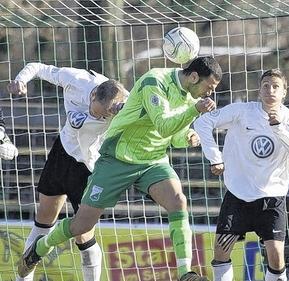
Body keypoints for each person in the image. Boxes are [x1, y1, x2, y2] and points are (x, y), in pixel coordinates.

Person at [16, 56, 222, 281]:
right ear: (193, 77)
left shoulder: (189, 96)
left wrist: (187, 137)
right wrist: (195, 111)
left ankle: (185, 273)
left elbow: (172, 135)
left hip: (152, 160)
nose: (209, 93)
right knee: (81, 226)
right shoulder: (154, 81)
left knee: (178, 200)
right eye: (208, 87)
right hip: (116, 158)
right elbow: (164, 125)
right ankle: (39, 248)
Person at [8, 62, 128, 281]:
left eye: (104, 117)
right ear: (92, 96)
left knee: (83, 234)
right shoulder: (77, 80)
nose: (99, 118)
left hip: (89, 168)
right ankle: (23, 279)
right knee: (43, 219)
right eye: (97, 112)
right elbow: (38, 67)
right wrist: (21, 79)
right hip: (61, 155)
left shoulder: (127, 105)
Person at [194, 69, 289, 281]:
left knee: (276, 258)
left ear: (284, 92)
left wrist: (279, 130)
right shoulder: (242, 111)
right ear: (259, 90)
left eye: (276, 86)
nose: (270, 90)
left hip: (272, 198)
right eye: (266, 85)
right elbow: (202, 123)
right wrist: (215, 157)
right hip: (238, 195)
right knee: (221, 252)